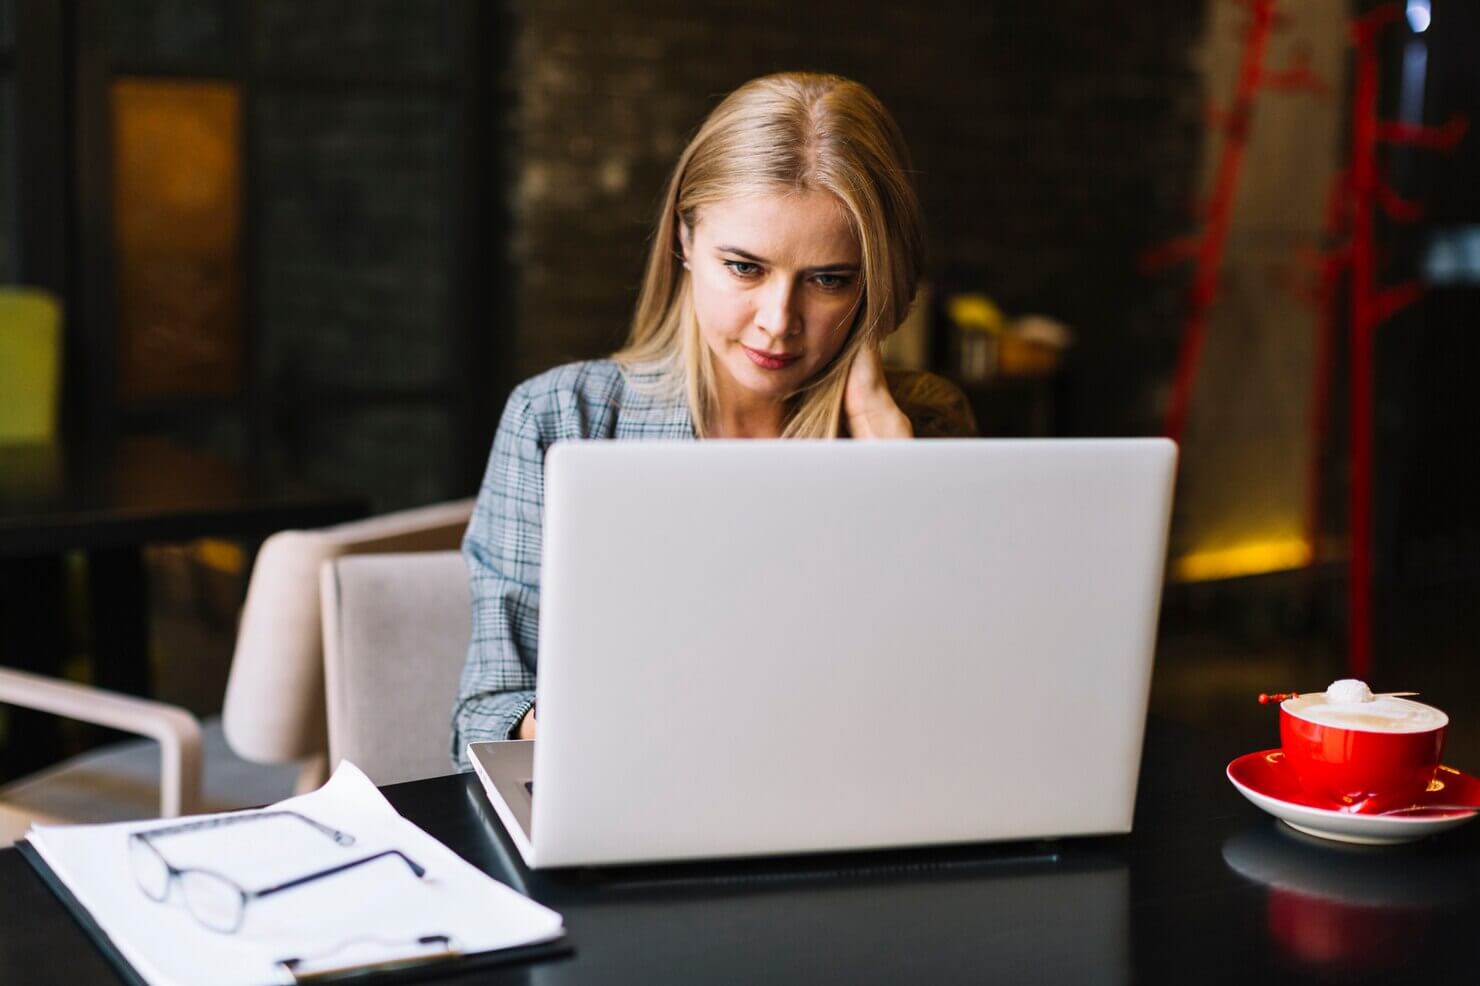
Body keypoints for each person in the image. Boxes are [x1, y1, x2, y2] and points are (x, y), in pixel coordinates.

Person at [450, 71, 973, 766]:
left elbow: (959, 705)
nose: (779, 322)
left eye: (828, 279)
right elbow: (482, 720)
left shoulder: (923, 427)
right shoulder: (561, 420)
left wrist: (899, 482)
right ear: (685, 240)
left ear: (874, 280)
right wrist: (596, 718)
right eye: (746, 268)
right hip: (640, 792)